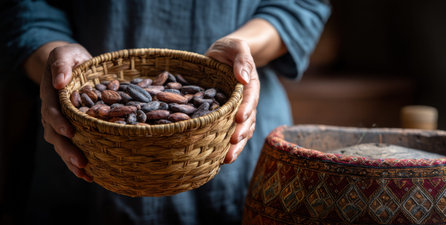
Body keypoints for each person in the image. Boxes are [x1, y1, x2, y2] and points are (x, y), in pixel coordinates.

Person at [0, 0, 330, 224]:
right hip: (86, 147)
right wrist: (52, 61)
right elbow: (25, 8)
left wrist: (245, 46)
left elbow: (302, 5)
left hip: (231, 141)